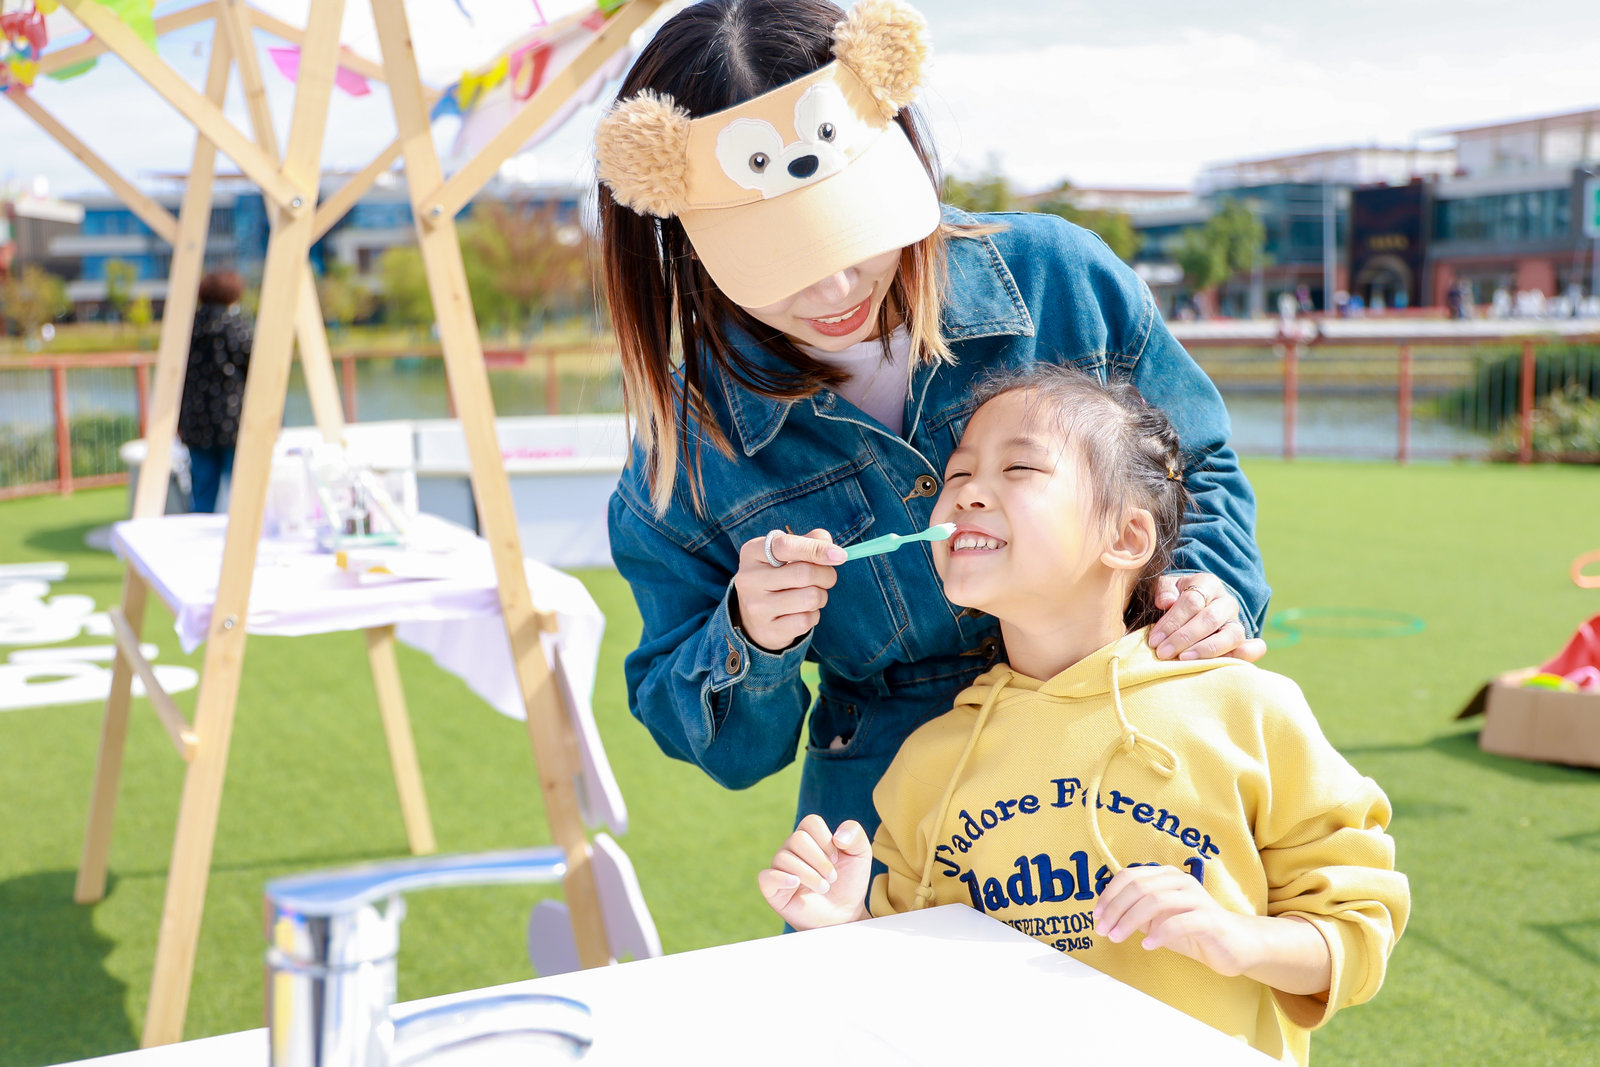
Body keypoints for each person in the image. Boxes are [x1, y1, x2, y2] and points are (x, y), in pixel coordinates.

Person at [596, 0, 1270, 840]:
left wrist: (1208, 591)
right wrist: (749, 634)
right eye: (781, 261)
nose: (836, 292)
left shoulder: (1057, 279)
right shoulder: (687, 443)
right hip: (886, 828)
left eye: (853, 231)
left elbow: (1192, 470)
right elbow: (726, 749)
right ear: (687, 239)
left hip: (1135, 765)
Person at [759, 365, 1409, 1064]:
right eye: (957, 474)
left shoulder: (1247, 710)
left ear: (1127, 537)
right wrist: (845, 923)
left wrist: (1238, 936)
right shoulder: (929, 760)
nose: (968, 491)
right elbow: (914, 996)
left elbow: (1355, 931)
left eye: (1020, 468)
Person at [178, 269, 253, 513]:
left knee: (202, 490)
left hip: (196, 423)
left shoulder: (188, 329)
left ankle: (199, 540)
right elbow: (256, 373)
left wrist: (179, 421)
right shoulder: (238, 328)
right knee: (241, 489)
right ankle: (241, 542)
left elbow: (176, 379)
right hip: (234, 422)